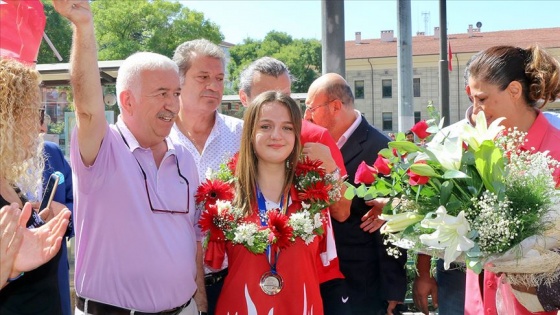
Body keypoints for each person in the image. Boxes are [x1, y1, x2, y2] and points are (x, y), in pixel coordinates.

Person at [53, 2, 201, 314]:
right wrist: (83, 26)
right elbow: (86, 107)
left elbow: (191, 239)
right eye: (161, 93)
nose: (173, 104)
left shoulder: (185, 157)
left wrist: (199, 304)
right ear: (127, 100)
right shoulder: (103, 148)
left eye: (176, 93)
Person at [238, 57, 352, 314]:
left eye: (286, 95)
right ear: (244, 99)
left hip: (313, 276)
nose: (279, 103)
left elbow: (343, 210)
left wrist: (330, 170)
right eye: (268, 95)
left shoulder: (315, 136)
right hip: (248, 278)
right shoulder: (232, 137)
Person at [206, 91, 332, 314]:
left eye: (287, 127)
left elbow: (323, 266)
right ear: (250, 133)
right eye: (265, 126)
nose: (277, 135)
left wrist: (335, 170)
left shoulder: (315, 196)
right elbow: (211, 265)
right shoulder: (224, 196)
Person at [462, 45, 560, 315]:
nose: (475, 110)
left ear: (515, 91)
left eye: (482, 98)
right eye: (472, 99)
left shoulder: (557, 150)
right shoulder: (476, 147)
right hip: (479, 303)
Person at [305, 73, 407, 315]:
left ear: (336, 107)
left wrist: (393, 288)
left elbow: (393, 221)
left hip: (362, 281)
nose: (306, 116)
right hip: (318, 272)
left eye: (311, 108)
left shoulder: (381, 148)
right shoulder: (310, 143)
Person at [171, 38, 243, 315]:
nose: (213, 85)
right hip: (173, 287)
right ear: (179, 80)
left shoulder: (242, 134)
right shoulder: (158, 137)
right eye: (203, 77)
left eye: (219, 78)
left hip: (232, 279)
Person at [0, 57, 71, 312]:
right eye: (36, 113)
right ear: (6, 119)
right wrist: (10, 270)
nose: (42, 127)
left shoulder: (9, 183)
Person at [42, 140, 74, 315]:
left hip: (56, 277)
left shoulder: (51, 152)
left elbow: (75, 200)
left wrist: (64, 217)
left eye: (42, 115)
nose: (43, 126)